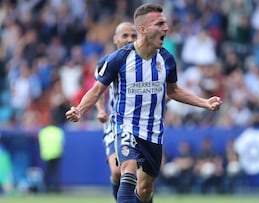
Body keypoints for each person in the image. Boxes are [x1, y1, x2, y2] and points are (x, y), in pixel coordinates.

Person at [65, 3, 222, 203]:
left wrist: (205, 103)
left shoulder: (167, 59)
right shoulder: (119, 59)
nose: (166, 28)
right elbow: (97, 90)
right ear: (143, 29)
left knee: (145, 189)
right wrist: (80, 109)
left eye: (165, 23)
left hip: (153, 132)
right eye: (160, 24)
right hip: (125, 126)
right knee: (124, 172)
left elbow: (173, 91)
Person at [95, 22, 137, 201]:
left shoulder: (146, 62)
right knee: (117, 171)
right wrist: (100, 110)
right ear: (115, 39)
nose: (129, 40)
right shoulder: (108, 62)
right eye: (125, 36)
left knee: (143, 184)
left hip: (140, 124)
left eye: (133, 36)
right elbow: (97, 92)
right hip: (115, 125)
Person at [38, 119, 65, 193]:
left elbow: (40, 142)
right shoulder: (58, 131)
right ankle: (56, 189)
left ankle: (46, 188)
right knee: (55, 172)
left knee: (46, 172)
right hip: (56, 153)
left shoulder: (43, 131)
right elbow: (62, 143)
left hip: (46, 154)